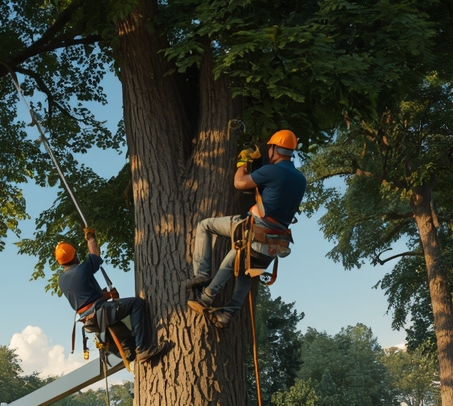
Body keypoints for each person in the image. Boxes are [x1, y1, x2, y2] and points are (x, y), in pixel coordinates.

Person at [187, 129, 307, 329]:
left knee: (205, 225)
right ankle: (227, 314)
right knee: (247, 272)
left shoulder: (272, 171)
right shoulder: (300, 179)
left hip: (255, 228)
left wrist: (243, 161)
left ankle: (204, 283)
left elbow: (240, 183)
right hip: (275, 240)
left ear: (274, 149)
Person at [57, 229, 171, 365]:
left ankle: (130, 349)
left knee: (124, 338)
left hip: (90, 320)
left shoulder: (61, 280)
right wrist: (91, 238)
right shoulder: (82, 269)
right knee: (136, 304)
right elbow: (95, 255)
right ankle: (143, 348)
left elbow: (84, 298)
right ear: (75, 256)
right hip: (101, 312)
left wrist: (105, 296)